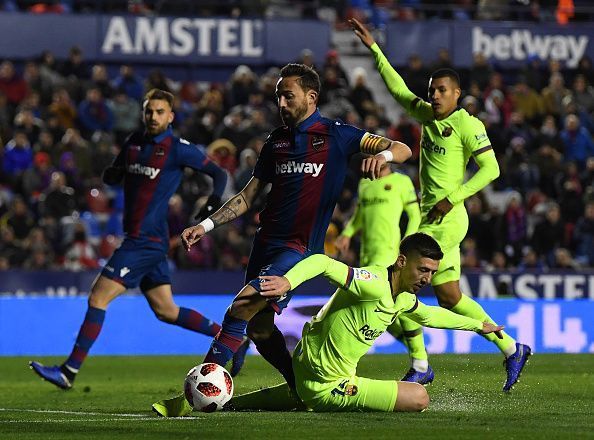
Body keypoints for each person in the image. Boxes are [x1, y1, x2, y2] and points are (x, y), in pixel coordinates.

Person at [152, 63, 412, 415]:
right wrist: (207, 225)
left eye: (288, 96)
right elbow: (247, 196)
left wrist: (381, 156)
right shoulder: (277, 141)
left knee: (241, 307)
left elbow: (401, 148)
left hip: (299, 250)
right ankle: (299, 388)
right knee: (259, 329)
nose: (281, 103)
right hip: (265, 244)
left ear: (311, 96)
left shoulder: (337, 134)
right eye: (278, 97)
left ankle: (188, 400)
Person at [350, 17, 531, 392]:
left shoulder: (468, 124)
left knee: (399, 281)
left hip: (446, 220)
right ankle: (512, 347)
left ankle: (419, 363)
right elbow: (398, 89)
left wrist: (453, 197)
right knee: (450, 297)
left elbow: (491, 169)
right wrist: (374, 50)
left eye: (441, 90)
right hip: (438, 219)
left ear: (457, 94)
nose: (433, 95)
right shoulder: (427, 118)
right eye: (432, 90)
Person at [154, 233, 504, 415]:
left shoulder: (402, 299)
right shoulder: (371, 282)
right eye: (422, 269)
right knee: (419, 397)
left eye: (431, 272)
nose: (427, 278)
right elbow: (322, 261)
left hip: (307, 375)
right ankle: (303, 394)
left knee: (249, 402)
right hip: (327, 384)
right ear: (401, 261)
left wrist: (478, 325)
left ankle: (211, 400)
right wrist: (289, 282)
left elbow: (432, 315)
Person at [29, 89, 232, 390]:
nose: (153, 117)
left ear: (171, 116)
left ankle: (68, 371)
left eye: (160, 112)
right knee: (166, 310)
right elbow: (115, 174)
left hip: (144, 242)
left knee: (98, 297)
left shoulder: (177, 148)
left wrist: (212, 204)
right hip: (145, 239)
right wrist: (111, 174)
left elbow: (219, 174)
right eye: (149, 111)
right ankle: (229, 338)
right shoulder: (134, 143)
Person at [334, 162, 425, 380]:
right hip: (367, 257)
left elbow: (415, 215)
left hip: (390, 254)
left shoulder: (401, 182)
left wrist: (408, 246)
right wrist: (347, 233)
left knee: (400, 305)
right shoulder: (365, 183)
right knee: (381, 315)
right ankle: (418, 356)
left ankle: (421, 361)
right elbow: (359, 217)